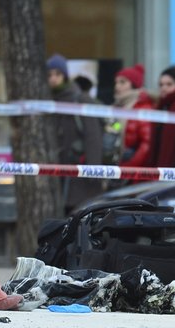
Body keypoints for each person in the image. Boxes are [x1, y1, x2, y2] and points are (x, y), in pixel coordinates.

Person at [47, 53, 104, 214]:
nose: (53, 79)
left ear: (65, 76)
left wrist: (94, 171)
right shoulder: (49, 101)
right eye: (49, 75)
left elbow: (93, 136)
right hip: (59, 171)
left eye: (57, 74)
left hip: (81, 173)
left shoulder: (80, 99)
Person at [112, 63, 154, 168]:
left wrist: (129, 167)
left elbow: (146, 143)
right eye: (116, 82)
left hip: (134, 168)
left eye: (122, 82)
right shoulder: (118, 107)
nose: (117, 86)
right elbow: (119, 128)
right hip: (118, 163)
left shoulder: (143, 107)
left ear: (134, 85)